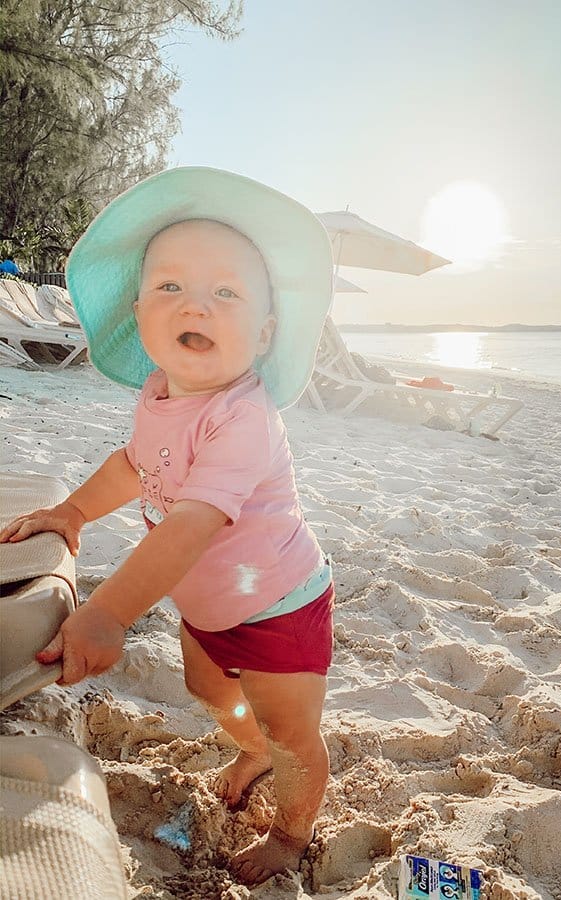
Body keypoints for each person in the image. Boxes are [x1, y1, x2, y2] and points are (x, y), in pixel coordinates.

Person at [0, 167, 335, 887]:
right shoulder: (161, 392)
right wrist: (72, 511)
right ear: (140, 311)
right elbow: (136, 463)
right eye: (172, 286)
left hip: (280, 604)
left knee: (293, 735)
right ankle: (248, 750)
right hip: (205, 606)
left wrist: (108, 612)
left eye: (226, 292)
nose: (198, 305)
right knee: (212, 693)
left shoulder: (242, 418)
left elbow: (188, 526)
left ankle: (290, 831)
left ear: (265, 330)